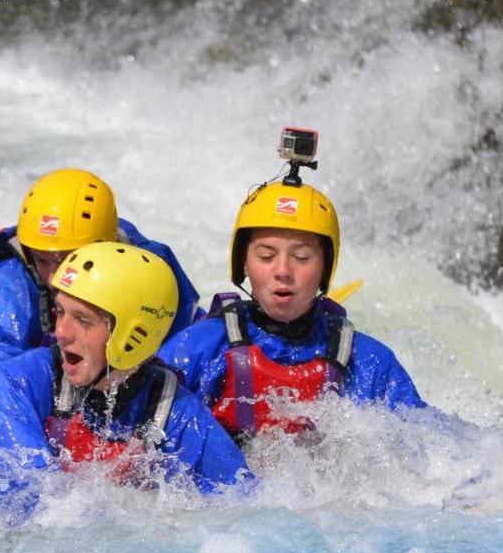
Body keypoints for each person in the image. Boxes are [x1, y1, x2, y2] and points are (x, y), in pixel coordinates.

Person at [0, 241, 250, 519]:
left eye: (83, 320)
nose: (61, 332)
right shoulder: (18, 383)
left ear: (133, 337)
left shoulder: (175, 414)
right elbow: (13, 502)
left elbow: (244, 507)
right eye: (60, 312)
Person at [161, 161, 423, 442]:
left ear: (325, 267)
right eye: (266, 256)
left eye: (301, 258)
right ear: (244, 264)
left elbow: (428, 446)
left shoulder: (368, 362)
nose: (283, 271)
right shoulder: (202, 347)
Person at [0, 168, 201, 414]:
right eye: (42, 261)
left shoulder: (145, 264)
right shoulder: (9, 282)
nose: (56, 277)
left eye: (69, 258)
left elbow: (182, 340)